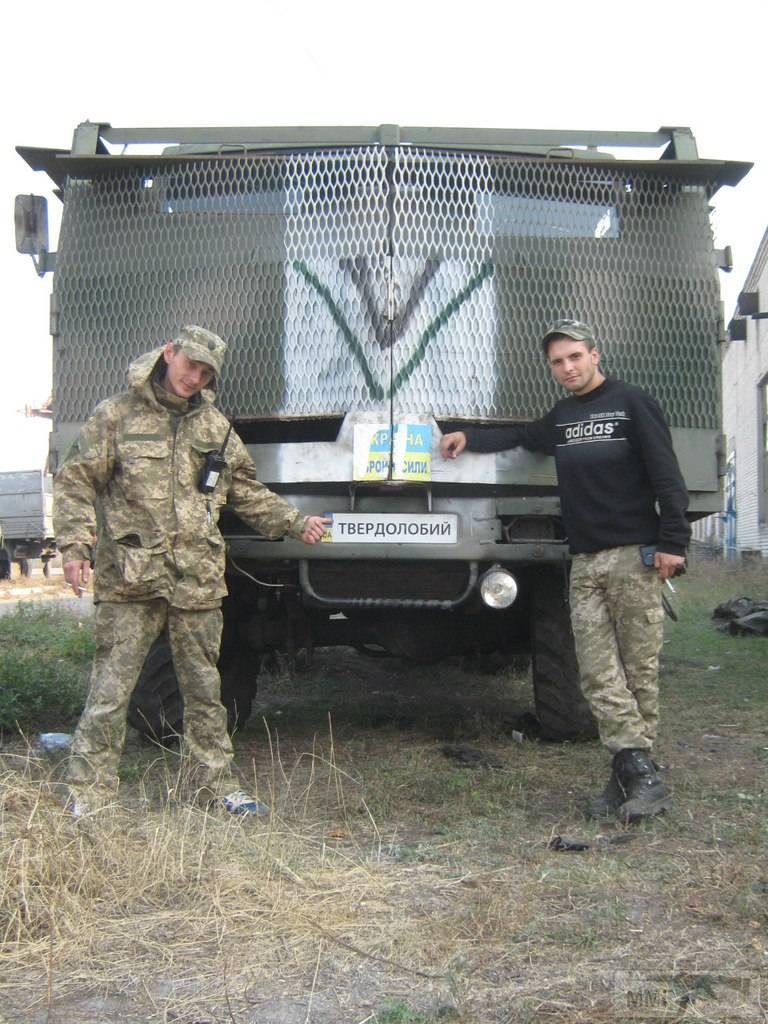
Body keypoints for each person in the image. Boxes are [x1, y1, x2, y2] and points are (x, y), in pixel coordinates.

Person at [54, 326, 330, 817]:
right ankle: (89, 792)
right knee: (110, 691)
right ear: (169, 353)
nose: (194, 377)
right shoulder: (116, 415)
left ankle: (214, 786)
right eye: (190, 365)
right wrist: (75, 545)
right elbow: (76, 481)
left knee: (205, 693)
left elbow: (244, 490)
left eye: (205, 372)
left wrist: (294, 522)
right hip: (131, 577)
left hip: (197, 581)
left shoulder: (214, 427)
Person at [441, 319, 688, 822]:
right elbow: (520, 435)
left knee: (637, 672)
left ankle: (634, 775)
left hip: (634, 555)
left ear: (594, 354)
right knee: (596, 673)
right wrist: (468, 436)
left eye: (575, 357)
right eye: (558, 362)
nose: (568, 368)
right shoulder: (563, 416)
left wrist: (672, 542)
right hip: (585, 561)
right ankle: (635, 773)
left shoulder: (632, 403)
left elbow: (667, 474)